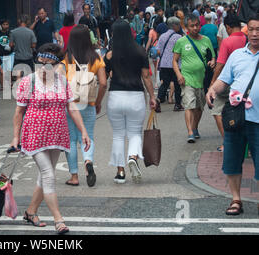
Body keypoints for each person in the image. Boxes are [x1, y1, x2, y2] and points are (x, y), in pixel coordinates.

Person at [11, 43, 91, 234]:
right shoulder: (28, 82)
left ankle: (31, 212)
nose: (45, 68)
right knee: (48, 174)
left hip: (57, 133)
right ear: (37, 62)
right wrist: (15, 137)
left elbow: (72, 108)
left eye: (50, 64)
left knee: (44, 175)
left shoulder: (62, 82)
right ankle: (58, 220)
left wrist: (84, 131)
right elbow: (19, 111)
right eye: (42, 63)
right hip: (34, 135)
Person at [206, 13, 259, 216]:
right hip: (236, 116)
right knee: (232, 160)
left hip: (258, 120)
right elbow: (224, 80)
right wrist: (212, 89)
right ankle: (236, 199)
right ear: (247, 31)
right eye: (252, 29)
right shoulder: (237, 55)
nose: (255, 34)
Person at [104, 20, 157, 184]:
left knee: (118, 135)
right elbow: (146, 77)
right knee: (134, 133)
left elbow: (104, 78)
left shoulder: (109, 55)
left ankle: (120, 173)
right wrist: (153, 97)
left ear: (113, 34)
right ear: (130, 32)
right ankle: (133, 157)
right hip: (135, 97)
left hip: (115, 97)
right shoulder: (140, 51)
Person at [62, 25, 107, 187]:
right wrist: (98, 102)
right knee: (88, 137)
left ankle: (74, 177)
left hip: (70, 106)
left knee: (72, 141)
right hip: (88, 104)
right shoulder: (96, 57)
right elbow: (103, 83)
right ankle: (88, 162)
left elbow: (60, 84)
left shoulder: (66, 59)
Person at [173, 14, 215, 143]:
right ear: (186, 27)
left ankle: (195, 127)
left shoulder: (206, 40)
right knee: (189, 105)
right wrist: (179, 75)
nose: (195, 28)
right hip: (187, 79)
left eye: (197, 25)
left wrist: (213, 61)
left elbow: (213, 56)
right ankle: (190, 132)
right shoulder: (181, 41)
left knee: (199, 107)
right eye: (192, 26)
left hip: (202, 80)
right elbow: (174, 61)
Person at [209, 14, 247, 153]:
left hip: (228, 82)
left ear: (228, 27)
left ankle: (228, 142)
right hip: (244, 82)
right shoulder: (247, 39)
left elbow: (220, 65)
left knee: (217, 110)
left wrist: (213, 83)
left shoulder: (227, 42)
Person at [156, 17, 184, 112]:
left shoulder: (162, 36)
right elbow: (182, 52)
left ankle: (158, 100)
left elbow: (158, 51)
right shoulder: (179, 37)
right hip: (175, 65)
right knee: (177, 85)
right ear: (175, 26)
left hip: (164, 64)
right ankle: (178, 104)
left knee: (164, 84)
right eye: (178, 25)